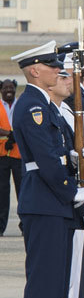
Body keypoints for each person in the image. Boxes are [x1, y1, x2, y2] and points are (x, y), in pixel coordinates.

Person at [11, 41, 84, 298]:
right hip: (46, 202)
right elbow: (47, 160)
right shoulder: (33, 105)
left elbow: (62, 150)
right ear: (35, 70)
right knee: (45, 283)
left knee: (58, 282)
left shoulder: (44, 104)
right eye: (52, 66)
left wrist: (78, 160)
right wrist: (74, 191)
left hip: (55, 205)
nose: (57, 71)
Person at [0, 78, 22, 236]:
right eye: (5, 87)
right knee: (2, 192)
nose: (9, 90)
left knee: (22, 192)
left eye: (11, 87)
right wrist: (9, 134)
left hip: (19, 155)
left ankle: (25, 226)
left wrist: (16, 136)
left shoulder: (20, 104)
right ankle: (1, 227)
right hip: (2, 155)